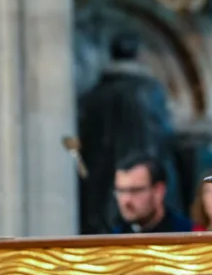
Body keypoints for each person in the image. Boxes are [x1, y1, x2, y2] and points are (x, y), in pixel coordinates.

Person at [77, 31, 182, 234]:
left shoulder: (95, 94)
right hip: (139, 170)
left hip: (103, 184)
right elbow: (165, 135)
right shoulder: (150, 91)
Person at [111, 152, 197, 234]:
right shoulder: (111, 240)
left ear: (158, 191)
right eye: (121, 191)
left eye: (135, 190)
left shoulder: (189, 235)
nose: (126, 200)